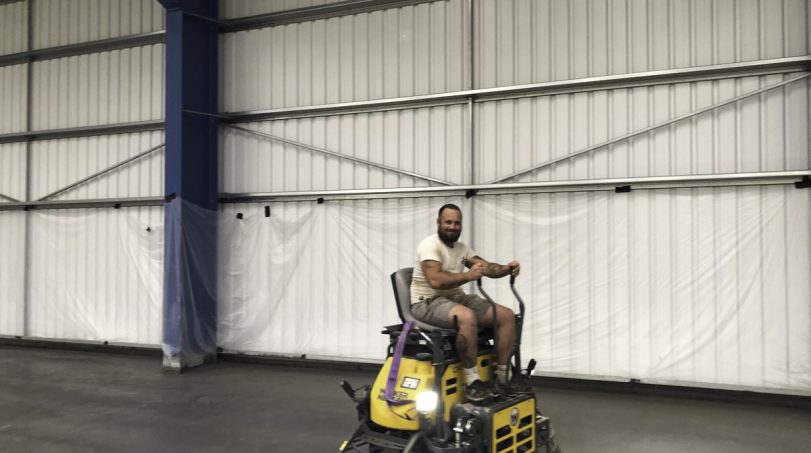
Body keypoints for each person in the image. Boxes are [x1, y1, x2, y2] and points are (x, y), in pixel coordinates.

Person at [410, 203, 529, 401]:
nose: (452, 227)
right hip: (427, 302)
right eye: (448, 222)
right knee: (467, 317)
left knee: (506, 316)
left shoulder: (462, 249)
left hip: (455, 298)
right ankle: (473, 382)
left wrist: (507, 268)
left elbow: (486, 267)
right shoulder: (430, 246)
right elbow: (436, 280)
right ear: (438, 222)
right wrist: (468, 276)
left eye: (457, 223)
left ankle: (503, 377)